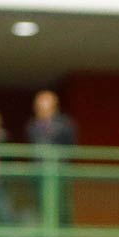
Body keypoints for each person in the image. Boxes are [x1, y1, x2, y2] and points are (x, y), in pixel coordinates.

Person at [25, 90, 76, 227]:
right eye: (40, 106)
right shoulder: (33, 125)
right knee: (41, 202)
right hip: (40, 170)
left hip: (59, 169)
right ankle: (44, 231)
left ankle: (63, 232)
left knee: (62, 203)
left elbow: (70, 145)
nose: (43, 109)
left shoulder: (65, 124)